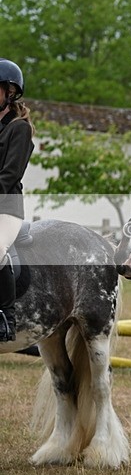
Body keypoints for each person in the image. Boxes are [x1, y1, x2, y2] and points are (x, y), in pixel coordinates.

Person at [0, 59, 34, 341]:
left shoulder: (19, 129)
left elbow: (9, 175)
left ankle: (6, 318)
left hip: (7, 208)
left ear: (9, 92)